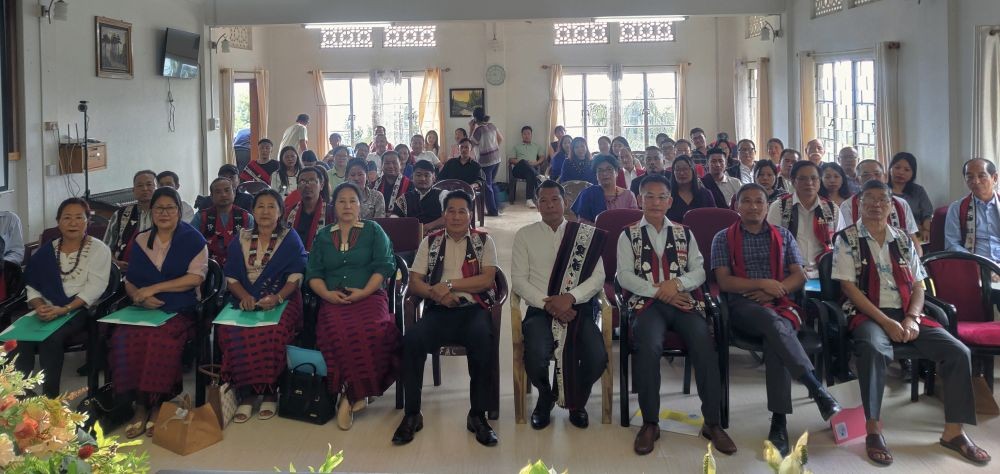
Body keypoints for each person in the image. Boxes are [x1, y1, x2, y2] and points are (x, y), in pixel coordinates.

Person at [833, 180, 989, 467]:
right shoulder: (846, 238)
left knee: (958, 352)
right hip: (868, 314)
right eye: (870, 199)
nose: (876, 204)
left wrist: (912, 318)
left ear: (892, 206)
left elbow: (919, 285)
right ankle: (872, 428)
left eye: (883, 199)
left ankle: (954, 431)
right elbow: (849, 289)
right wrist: (885, 322)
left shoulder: (903, 239)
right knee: (874, 349)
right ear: (860, 204)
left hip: (908, 312)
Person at [712, 184, 842, 456]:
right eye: (746, 201)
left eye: (759, 201)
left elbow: (799, 275)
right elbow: (724, 281)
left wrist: (776, 289)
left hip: (782, 303)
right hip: (742, 307)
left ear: (766, 205)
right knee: (774, 325)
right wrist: (763, 285)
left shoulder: (783, 235)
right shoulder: (722, 237)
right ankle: (816, 388)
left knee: (775, 337)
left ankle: (779, 423)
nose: (753, 207)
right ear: (737, 206)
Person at [618, 174, 735, 456]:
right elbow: (623, 276)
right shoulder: (629, 233)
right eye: (649, 196)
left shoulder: (685, 232)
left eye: (661, 197)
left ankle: (713, 422)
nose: (655, 202)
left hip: (684, 303)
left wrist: (676, 285)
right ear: (640, 199)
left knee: (704, 344)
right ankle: (650, 423)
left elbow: (698, 270)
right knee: (648, 347)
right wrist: (660, 291)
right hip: (646, 306)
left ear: (670, 201)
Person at [391, 191, 498, 446]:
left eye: (462, 211)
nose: (457, 216)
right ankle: (412, 414)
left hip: (472, 310)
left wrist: (448, 284)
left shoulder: (483, 241)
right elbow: (415, 282)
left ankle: (478, 415)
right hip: (438, 311)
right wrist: (436, 294)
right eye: (451, 210)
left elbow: (487, 280)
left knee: (483, 342)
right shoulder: (431, 241)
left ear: (471, 215)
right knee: (412, 342)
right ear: (444, 214)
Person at [113, 187, 207, 439]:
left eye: (170, 208)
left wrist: (154, 288)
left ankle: (159, 404)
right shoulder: (142, 240)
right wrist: (137, 296)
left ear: (179, 211)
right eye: (159, 209)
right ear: (151, 212)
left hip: (180, 309)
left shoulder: (193, 239)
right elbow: (130, 279)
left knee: (159, 339)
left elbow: (195, 278)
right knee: (124, 336)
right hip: (144, 309)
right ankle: (140, 404)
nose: (164, 213)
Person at [513, 180, 608, 430]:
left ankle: (576, 399)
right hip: (540, 310)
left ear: (565, 202)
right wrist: (549, 305)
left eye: (555, 199)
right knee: (535, 356)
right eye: (543, 200)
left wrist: (570, 298)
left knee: (597, 358)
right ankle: (546, 397)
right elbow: (519, 281)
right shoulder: (525, 235)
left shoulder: (583, 235)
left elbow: (598, 277)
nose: (550, 205)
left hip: (578, 309)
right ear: (537, 205)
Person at [308, 182, 399, 431]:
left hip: (369, 296)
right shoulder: (323, 235)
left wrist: (364, 292)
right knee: (337, 331)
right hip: (333, 298)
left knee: (373, 330)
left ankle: (349, 395)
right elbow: (313, 272)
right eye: (341, 201)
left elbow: (384, 266)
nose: (347, 206)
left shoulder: (373, 230)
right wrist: (326, 294)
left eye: (352, 201)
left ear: (361, 205)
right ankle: (356, 393)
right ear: (333, 206)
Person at [219, 189, 307, 423]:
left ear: (280, 212)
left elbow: (295, 277)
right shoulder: (241, 238)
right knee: (231, 330)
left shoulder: (290, 238)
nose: (266, 211)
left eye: (271, 206)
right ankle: (245, 393)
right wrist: (244, 295)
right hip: (245, 299)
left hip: (281, 300)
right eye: (260, 206)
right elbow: (231, 277)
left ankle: (269, 391)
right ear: (253, 211)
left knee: (271, 331)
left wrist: (277, 298)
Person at [15, 198, 112, 397]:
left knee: (51, 338)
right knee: (20, 337)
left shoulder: (99, 249)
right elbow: (32, 285)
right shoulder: (46, 251)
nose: (73, 222)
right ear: (58, 221)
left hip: (79, 309)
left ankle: (50, 398)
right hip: (46, 309)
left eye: (79, 217)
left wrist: (64, 309)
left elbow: (96, 287)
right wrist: (40, 306)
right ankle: (19, 395)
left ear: (87, 222)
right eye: (67, 217)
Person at [767, 161, 839, 272]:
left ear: (820, 181)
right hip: (789, 272)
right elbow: (772, 243)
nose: (809, 183)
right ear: (793, 181)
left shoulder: (832, 209)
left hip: (825, 272)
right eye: (802, 179)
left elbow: (840, 245)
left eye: (814, 178)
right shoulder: (779, 207)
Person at [836, 160, 921, 250]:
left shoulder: (901, 203)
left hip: (898, 255)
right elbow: (846, 240)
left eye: (877, 174)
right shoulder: (848, 206)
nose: (872, 178)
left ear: (885, 177)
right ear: (857, 180)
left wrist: (918, 261)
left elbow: (912, 239)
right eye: (866, 175)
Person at [945, 157, 1000, 260]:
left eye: (981, 176)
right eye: (970, 177)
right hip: (974, 265)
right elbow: (952, 244)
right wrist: (976, 264)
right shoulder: (957, 208)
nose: (976, 181)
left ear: (995, 178)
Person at [191, 177, 253, 266]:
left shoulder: (247, 217)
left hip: (240, 268)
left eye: (227, 190)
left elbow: (254, 246)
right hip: (207, 267)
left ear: (234, 193)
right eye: (218, 192)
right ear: (211, 197)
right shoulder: (200, 217)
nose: (223, 195)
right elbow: (191, 242)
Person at [105, 170, 156, 270]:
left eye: (149, 184)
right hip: (122, 270)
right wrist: (115, 262)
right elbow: (105, 248)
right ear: (134, 191)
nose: (145, 189)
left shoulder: (164, 215)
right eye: (140, 185)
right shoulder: (120, 214)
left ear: (157, 188)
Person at [572, 155, 639, 224]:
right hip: (597, 234)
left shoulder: (628, 196)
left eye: (609, 169)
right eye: (600, 170)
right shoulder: (588, 194)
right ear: (596, 175)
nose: (604, 173)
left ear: (616, 172)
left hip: (624, 234)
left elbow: (634, 223)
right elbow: (583, 224)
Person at [284, 166, 333, 251]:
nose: (307, 185)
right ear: (298, 187)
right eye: (302, 181)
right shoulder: (289, 212)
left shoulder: (331, 213)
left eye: (312, 181)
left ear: (321, 185)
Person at [889, 152, 933, 242]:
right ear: (890, 168)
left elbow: (927, 214)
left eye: (907, 169)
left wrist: (926, 230)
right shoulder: (882, 191)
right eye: (897, 167)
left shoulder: (918, 191)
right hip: (890, 235)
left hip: (916, 236)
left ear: (913, 173)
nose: (901, 172)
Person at [391, 160, 445, 232]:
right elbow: (396, 215)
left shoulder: (443, 195)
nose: (422, 179)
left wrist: (427, 227)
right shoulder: (404, 198)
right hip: (411, 236)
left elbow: (450, 217)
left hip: (437, 238)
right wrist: (393, 220)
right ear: (412, 177)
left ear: (433, 177)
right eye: (418, 175)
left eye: (426, 175)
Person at [469, 107, 504, 217]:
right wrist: (493, 148)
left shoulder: (478, 130)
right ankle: (497, 206)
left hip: (486, 162)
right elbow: (501, 139)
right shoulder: (492, 126)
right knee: (492, 183)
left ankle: (493, 211)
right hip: (496, 158)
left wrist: (470, 128)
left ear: (474, 118)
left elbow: (470, 145)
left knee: (487, 186)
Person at [667, 156, 717, 224]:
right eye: (678, 169)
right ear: (673, 173)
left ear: (693, 170)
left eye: (685, 169)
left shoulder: (705, 194)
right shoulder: (667, 195)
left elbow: (714, 218)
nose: (681, 173)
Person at [508, 126, 545, 208]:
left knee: (530, 174)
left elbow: (542, 157)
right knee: (523, 161)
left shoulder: (536, 146)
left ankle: (529, 200)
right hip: (518, 170)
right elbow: (511, 159)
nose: (526, 135)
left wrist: (536, 163)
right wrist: (525, 162)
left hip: (531, 169)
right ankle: (538, 176)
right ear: (522, 135)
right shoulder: (517, 146)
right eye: (524, 134)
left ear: (531, 135)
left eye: (528, 133)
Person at [374, 151, 411, 215]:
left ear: (400, 165)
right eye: (387, 163)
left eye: (394, 163)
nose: (391, 166)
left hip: (402, 222)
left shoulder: (410, 185)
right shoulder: (374, 185)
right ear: (381, 165)